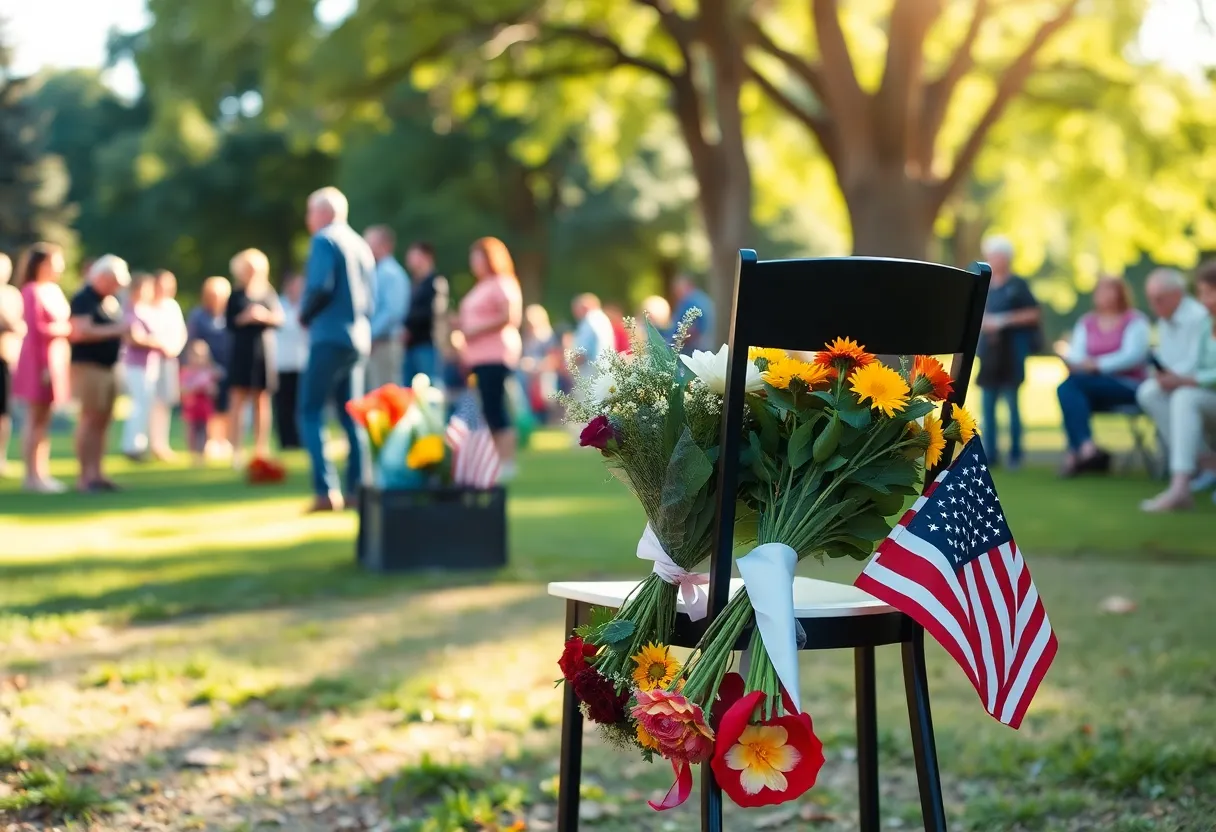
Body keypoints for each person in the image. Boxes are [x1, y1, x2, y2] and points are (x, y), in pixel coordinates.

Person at [298, 186, 375, 512]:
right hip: (358, 338)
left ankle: (325, 490)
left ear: (322, 213)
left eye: (310, 212)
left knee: (309, 410)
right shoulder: (361, 244)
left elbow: (320, 286)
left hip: (329, 335)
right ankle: (357, 489)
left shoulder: (324, 240)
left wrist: (304, 315)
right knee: (351, 414)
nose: (308, 220)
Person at [1136, 265, 1216, 511]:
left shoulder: (1197, 318)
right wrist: (1169, 376)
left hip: (1204, 389)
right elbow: (1199, 363)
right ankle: (1187, 478)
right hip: (1205, 392)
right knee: (1157, 392)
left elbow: (1199, 370)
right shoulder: (1208, 323)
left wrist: (1186, 380)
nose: (1203, 301)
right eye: (1201, 293)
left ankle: (1190, 477)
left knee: (1184, 396)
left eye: (1208, 293)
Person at [1056, 275, 1150, 476]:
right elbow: (1077, 353)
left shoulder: (1135, 321)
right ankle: (1086, 449)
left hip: (1127, 384)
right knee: (1070, 391)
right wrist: (1080, 363)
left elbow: (1132, 355)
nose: (1103, 295)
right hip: (1091, 387)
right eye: (1100, 291)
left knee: (1069, 388)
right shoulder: (1087, 322)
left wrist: (1097, 365)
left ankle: (1078, 452)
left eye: (1109, 290)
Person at [458, 237, 523, 480]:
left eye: (478, 257)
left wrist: (475, 330)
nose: (474, 262)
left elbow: (510, 316)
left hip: (495, 355)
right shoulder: (481, 286)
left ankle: (507, 461)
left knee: (496, 408)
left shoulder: (502, 283)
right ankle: (494, 459)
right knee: (487, 408)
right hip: (478, 357)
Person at [976, 235, 1041, 469]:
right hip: (989, 354)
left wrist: (1003, 321)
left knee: (1012, 404)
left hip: (1012, 352)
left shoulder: (1018, 285)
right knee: (987, 405)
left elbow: (1033, 313)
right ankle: (990, 453)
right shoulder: (984, 285)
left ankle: (1015, 453)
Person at [12, 243, 72, 492]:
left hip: (56, 359)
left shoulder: (54, 290)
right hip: (38, 361)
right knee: (34, 418)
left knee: (45, 420)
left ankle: (42, 472)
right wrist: (45, 365)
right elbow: (37, 330)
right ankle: (31, 475)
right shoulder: (31, 290)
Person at [69, 255, 131, 491]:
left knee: (103, 421)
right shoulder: (84, 298)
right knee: (89, 419)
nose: (116, 288)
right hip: (89, 366)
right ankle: (84, 476)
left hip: (109, 366)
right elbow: (80, 331)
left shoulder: (111, 301)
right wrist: (117, 330)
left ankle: (97, 472)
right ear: (102, 276)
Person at [225, 248, 284, 466]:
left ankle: (261, 449)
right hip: (241, 351)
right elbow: (229, 323)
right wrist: (245, 317)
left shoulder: (267, 293)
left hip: (263, 352)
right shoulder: (236, 294)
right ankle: (236, 449)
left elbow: (280, 319)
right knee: (237, 399)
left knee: (262, 400)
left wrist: (263, 316)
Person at [120, 272, 166, 461]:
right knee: (139, 404)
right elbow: (133, 338)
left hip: (149, 364)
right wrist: (157, 343)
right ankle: (132, 446)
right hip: (135, 364)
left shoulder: (146, 309)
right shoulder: (130, 309)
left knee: (146, 404)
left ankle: (140, 444)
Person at [187, 276, 233, 458]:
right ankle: (210, 442)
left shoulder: (229, 315)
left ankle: (224, 440)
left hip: (227, 367)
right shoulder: (198, 316)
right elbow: (194, 343)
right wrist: (207, 368)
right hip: (205, 369)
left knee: (226, 405)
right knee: (208, 407)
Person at [364, 225, 409, 389]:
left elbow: (392, 312)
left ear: (384, 245)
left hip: (385, 343)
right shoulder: (379, 271)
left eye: (370, 243)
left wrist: (371, 335)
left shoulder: (391, 273)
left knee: (386, 393)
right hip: (379, 343)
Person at [149, 270, 188, 460]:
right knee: (149, 402)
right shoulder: (146, 305)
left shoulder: (172, 306)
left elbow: (181, 333)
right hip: (149, 361)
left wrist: (173, 349)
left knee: (164, 402)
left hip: (169, 360)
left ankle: (160, 443)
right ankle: (146, 443)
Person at [403, 241, 449, 384]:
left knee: (430, 386)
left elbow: (434, 313)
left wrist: (409, 328)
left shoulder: (436, 282)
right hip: (411, 345)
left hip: (428, 344)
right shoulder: (414, 284)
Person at [274, 274, 308, 450]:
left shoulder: (306, 305)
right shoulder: (278, 304)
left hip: (301, 362)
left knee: (300, 404)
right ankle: (286, 441)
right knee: (283, 405)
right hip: (281, 362)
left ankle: (300, 439)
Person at [0, 252, 25, 478]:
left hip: (5, 358)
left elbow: (18, 326)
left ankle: (1, 457)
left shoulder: (11, 295)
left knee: (3, 411)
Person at [180, 340, 221, 466]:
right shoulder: (187, 372)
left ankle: (202, 454)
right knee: (191, 431)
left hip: (205, 408)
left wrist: (209, 389)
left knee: (205, 431)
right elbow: (182, 390)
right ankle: (193, 455)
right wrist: (195, 388)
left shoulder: (208, 373)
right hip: (192, 408)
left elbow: (215, 391)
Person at [520, 303, 559, 422]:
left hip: (544, 372)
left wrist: (538, 366)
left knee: (547, 397)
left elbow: (553, 356)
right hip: (529, 374)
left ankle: (550, 420)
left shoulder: (547, 335)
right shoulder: (527, 335)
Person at [570, 293, 615, 371]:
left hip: (592, 371)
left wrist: (569, 365)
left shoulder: (589, 321)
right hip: (605, 368)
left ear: (584, 307)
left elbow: (582, 352)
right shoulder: (602, 319)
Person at [672, 274, 716, 353]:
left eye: (678, 290)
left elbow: (692, 329)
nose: (677, 294)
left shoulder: (690, 301)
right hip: (705, 347)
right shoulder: (703, 298)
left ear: (687, 286)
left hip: (693, 349)